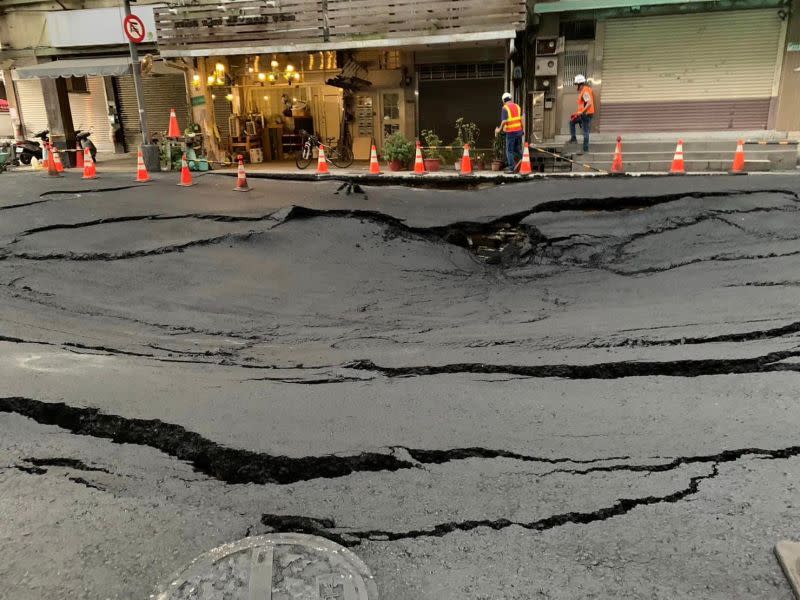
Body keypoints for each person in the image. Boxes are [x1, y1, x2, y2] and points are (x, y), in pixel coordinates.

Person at [495, 92, 524, 173]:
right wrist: (522, 129)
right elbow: (521, 119)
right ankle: (525, 160)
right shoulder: (517, 106)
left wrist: (499, 129)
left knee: (509, 151)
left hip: (511, 132)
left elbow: (504, 121)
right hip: (519, 131)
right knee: (517, 149)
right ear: (511, 99)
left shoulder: (505, 108)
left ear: (504, 100)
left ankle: (512, 168)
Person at [569, 74, 595, 155]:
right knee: (572, 122)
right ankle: (573, 138)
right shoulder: (585, 90)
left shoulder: (585, 91)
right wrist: (577, 113)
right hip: (583, 114)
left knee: (585, 131)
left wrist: (582, 112)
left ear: (580, 84)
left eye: (576, 84)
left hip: (586, 115)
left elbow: (589, 103)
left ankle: (585, 150)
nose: (576, 86)